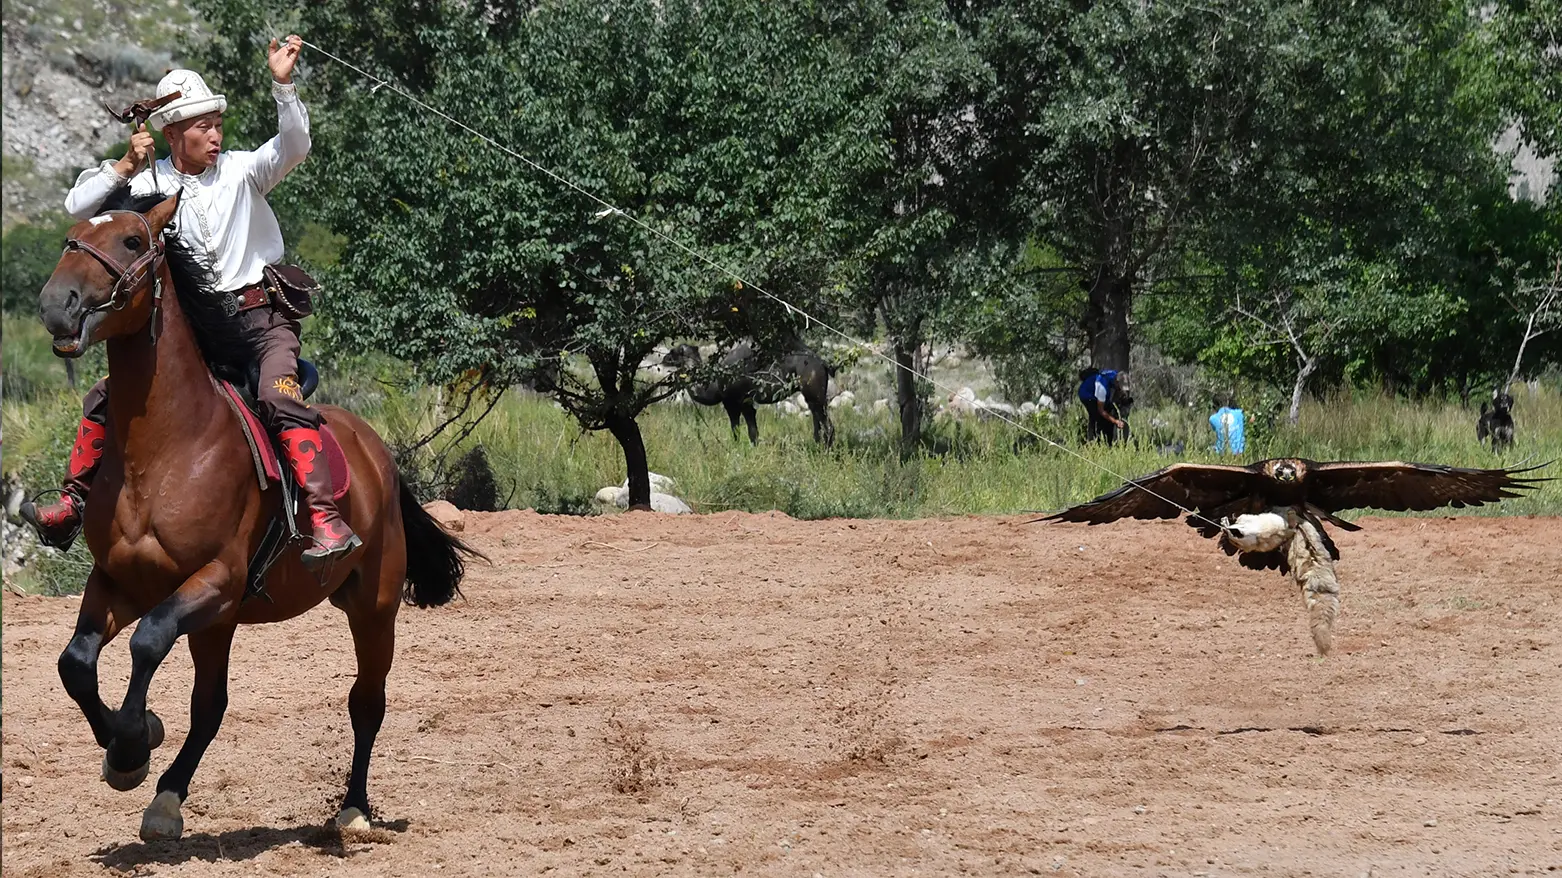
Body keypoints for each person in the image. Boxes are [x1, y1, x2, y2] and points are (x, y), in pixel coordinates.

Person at [19, 36, 361, 572]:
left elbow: (294, 145)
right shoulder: (148, 186)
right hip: (196, 333)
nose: (216, 135)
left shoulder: (246, 170)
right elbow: (77, 206)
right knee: (106, 396)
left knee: (277, 394)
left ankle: (324, 516)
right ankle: (73, 504)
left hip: (262, 322)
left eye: (217, 125)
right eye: (204, 126)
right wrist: (123, 170)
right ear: (173, 133)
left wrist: (283, 83)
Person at [1077, 367, 1129, 445]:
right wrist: (1115, 421)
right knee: (1097, 417)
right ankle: (1094, 442)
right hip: (1087, 396)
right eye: (1120, 388)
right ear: (1116, 383)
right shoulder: (1102, 387)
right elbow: (1101, 411)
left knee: (1109, 414)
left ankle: (1108, 440)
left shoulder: (1115, 374)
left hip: (1097, 393)